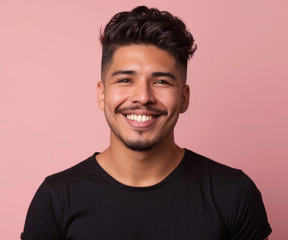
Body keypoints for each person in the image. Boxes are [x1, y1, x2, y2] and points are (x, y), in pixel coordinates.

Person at [20, 6, 272, 240]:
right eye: (125, 80)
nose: (143, 97)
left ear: (184, 98)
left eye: (161, 81)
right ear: (102, 94)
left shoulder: (233, 194)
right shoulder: (55, 198)